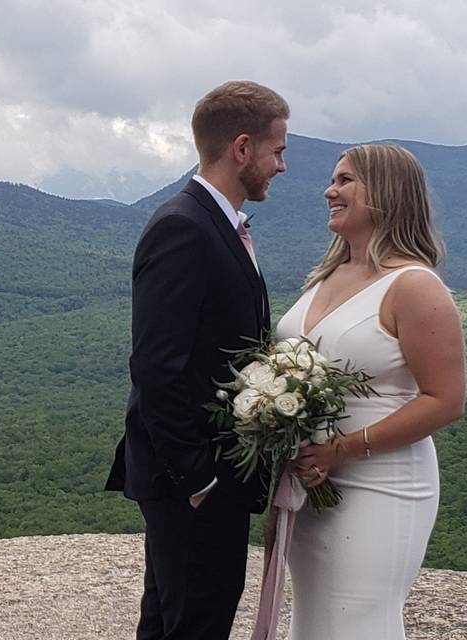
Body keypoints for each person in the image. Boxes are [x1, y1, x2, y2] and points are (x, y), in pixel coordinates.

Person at [105, 80, 289, 640]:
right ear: (242, 149)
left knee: (169, 623)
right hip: (192, 482)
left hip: (197, 481)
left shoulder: (214, 223)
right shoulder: (185, 226)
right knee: (196, 624)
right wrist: (199, 478)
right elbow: (156, 366)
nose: (281, 165)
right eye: (277, 150)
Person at [274, 144, 467, 639]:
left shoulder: (414, 286)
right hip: (313, 483)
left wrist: (341, 449)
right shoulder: (327, 275)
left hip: (383, 483)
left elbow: (445, 401)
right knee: (314, 623)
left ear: (385, 193)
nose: (329, 191)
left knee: (360, 623)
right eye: (333, 179)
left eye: (345, 181)